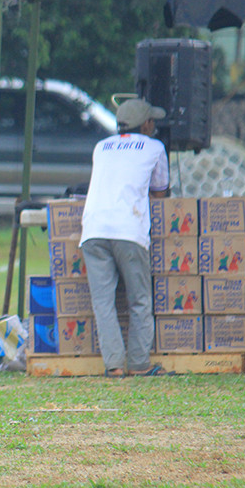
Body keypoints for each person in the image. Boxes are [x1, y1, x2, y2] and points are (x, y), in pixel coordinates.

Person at [80, 97, 170, 377]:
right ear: (145, 124)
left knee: (103, 302)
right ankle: (140, 364)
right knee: (140, 299)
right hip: (129, 230)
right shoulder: (155, 147)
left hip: (93, 230)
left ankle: (115, 366)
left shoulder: (101, 147)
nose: (154, 125)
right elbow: (159, 192)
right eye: (152, 120)